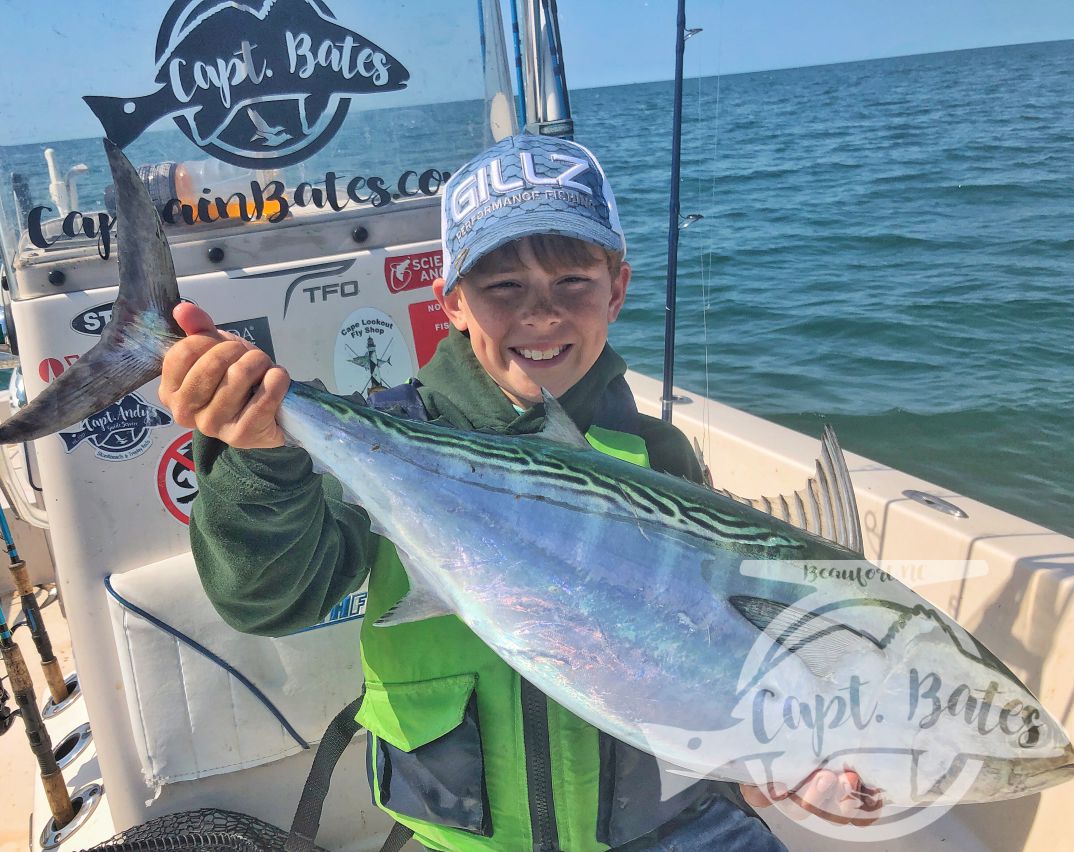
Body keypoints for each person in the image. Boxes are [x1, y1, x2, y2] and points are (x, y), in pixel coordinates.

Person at [159, 134, 878, 851]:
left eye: (573, 282)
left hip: (674, 829)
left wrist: (755, 770)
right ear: (453, 304)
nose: (541, 314)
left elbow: (718, 647)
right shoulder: (389, 439)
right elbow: (271, 597)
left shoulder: (659, 458)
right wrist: (259, 461)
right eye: (503, 287)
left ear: (617, 290)